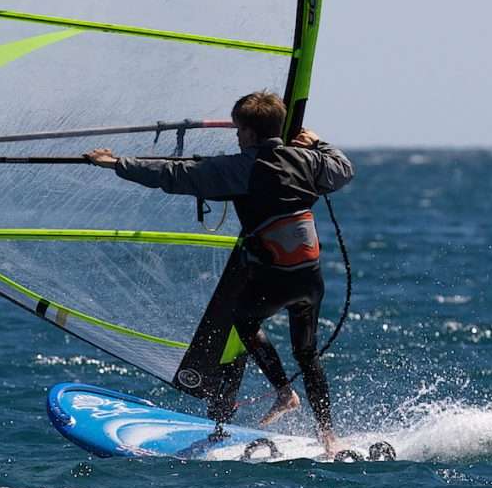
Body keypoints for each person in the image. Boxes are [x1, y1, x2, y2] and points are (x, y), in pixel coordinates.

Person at [84, 91, 353, 454]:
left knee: (243, 320)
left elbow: (174, 174)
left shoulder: (241, 168)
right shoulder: (307, 160)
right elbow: (343, 168)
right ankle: (329, 437)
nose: (237, 137)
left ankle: (285, 393)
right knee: (307, 354)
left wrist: (116, 163)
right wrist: (319, 142)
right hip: (311, 278)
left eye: (240, 130)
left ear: (251, 134)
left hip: (274, 279)